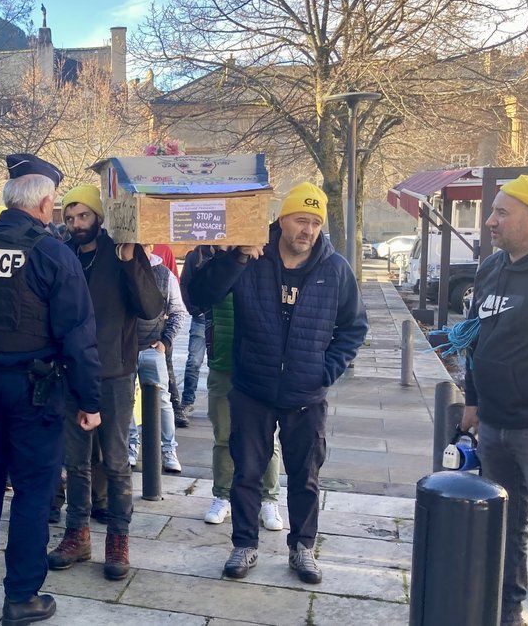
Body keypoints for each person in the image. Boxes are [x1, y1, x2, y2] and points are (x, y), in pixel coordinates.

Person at [0, 153, 100, 624]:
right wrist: (90, 402)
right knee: (33, 491)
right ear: (46, 202)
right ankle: (22, 595)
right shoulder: (53, 254)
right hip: (34, 390)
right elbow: (77, 336)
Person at [186, 182, 367, 584]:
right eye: (302, 220)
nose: (309, 230)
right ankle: (244, 544)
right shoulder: (252, 257)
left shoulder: (335, 269)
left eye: (316, 222)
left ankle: (302, 547)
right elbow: (198, 297)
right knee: (246, 471)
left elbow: (353, 327)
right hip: (253, 387)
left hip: (307, 394)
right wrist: (235, 259)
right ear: (281, 219)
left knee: (306, 476)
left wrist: (326, 369)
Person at [47, 184, 163, 582]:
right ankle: (77, 534)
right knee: (75, 461)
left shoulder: (121, 252)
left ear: (98, 216)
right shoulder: (62, 255)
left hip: (113, 372)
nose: (77, 224)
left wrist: (131, 260)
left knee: (114, 461)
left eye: (83, 216)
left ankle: (118, 537)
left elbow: (151, 307)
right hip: (69, 372)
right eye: (70, 218)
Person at [460, 174, 528, 625]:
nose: (489, 221)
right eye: (493, 210)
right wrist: (472, 399)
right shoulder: (491, 267)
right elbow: (475, 337)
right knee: (503, 531)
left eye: (502, 212)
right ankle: (506, 617)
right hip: (495, 425)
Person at [182, 246, 283, 529]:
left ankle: (269, 498)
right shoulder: (202, 254)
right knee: (224, 435)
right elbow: (193, 299)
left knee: (266, 437)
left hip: (260, 361)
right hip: (223, 357)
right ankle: (222, 495)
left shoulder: (264, 253)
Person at [132, 252, 189, 474]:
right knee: (128, 400)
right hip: (126, 348)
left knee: (162, 400)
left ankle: (168, 449)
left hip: (151, 347)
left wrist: (166, 340)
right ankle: (131, 445)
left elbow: (178, 312)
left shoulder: (164, 274)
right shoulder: (122, 268)